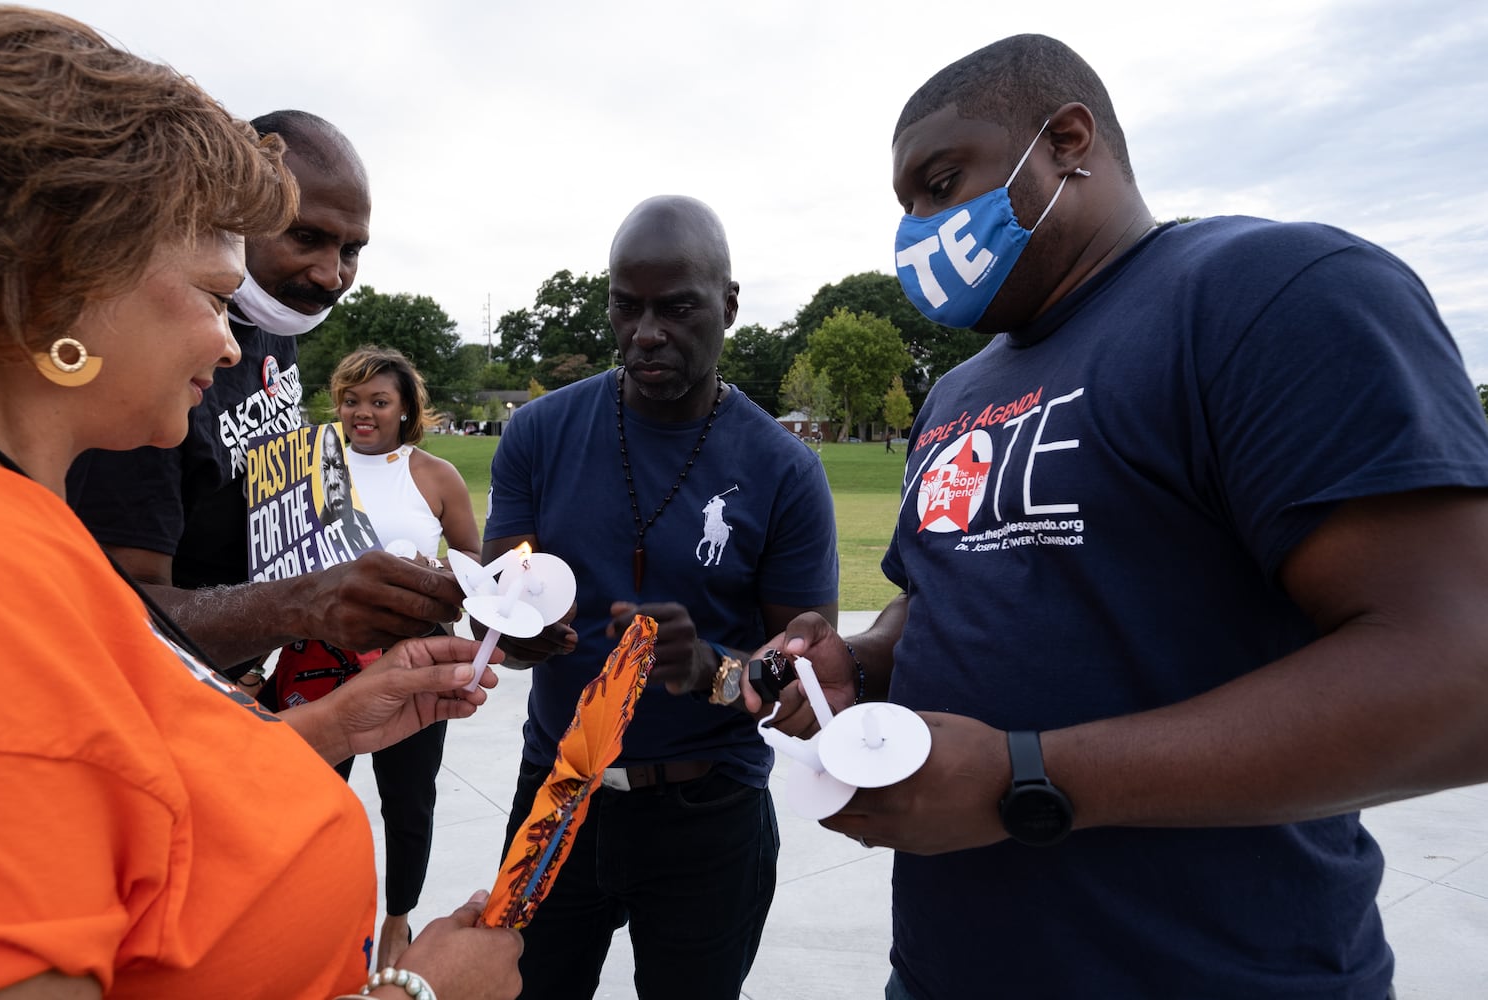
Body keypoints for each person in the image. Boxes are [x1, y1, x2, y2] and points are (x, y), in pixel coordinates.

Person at [763, 34, 1488, 1000]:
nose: (922, 229)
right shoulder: (955, 394)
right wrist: (862, 660)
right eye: (907, 207)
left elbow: (1462, 672)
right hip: (945, 971)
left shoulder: (1270, 292)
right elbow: (946, 593)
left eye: (941, 184)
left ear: (1068, 140)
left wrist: (1024, 780)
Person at [0, 7, 522, 998]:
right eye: (208, 293)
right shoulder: (5, 598)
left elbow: (135, 777)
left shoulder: (36, 531)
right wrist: (418, 993)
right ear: (61, 289)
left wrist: (331, 727)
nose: (232, 342)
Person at [483, 194, 839, 999]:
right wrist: (516, 633)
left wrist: (712, 671)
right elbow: (500, 611)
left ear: (729, 305)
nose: (645, 332)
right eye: (626, 306)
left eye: (676, 308)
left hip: (708, 811)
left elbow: (806, 680)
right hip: (558, 792)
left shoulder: (783, 470)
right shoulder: (537, 433)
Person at [65, 106, 461, 685]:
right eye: (306, 237)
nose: (331, 275)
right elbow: (118, 616)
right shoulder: (149, 362)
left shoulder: (274, 323)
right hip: (156, 694)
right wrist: (300, 604)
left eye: (351, 250)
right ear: (232, 212)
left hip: (233, 676)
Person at [327, 344, 482, 969]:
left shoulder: (435, 476)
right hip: (324, 656)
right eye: (351, 399)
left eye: (378, 401)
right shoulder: (313, 467)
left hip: (412, 655)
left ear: (405, 409)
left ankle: (397, 922)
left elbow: (474, 563)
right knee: (313, 793)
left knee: (408, 799)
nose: (362, 412)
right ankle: (317, 912)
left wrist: (436, 573)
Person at [316, 420, 380, 560]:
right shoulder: (316, 537)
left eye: (338, 467)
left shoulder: (368, 521)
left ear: (348, 476)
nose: (333, 481)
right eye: (325, 468)